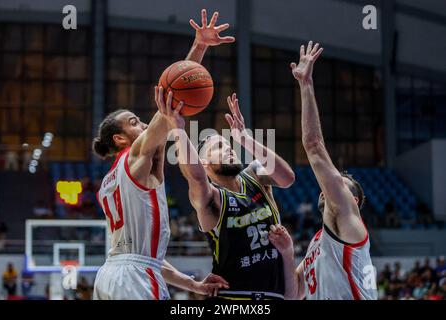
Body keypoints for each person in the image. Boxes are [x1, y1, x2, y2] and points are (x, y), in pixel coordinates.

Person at [92, 9, 233, 300]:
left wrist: (193, 285)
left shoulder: (109, 183)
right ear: (119, 139)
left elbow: (147, 257)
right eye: (133, 123)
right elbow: (176, 94)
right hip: (135, 279)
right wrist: (199, 48)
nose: (142, 124)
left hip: (110, 275)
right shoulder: (135, 157)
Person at [162, 87, 295, 300]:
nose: (229, 148)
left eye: (228, 144)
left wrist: (245, 138)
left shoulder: (255, 175)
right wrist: (178, 129)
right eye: (218, 147)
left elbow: (287, 178)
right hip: (234, 297)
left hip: (274, 295)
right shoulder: (212, 198)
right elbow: (196, 178)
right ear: (204, 163)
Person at [268, 41, 377, 300]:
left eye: (339, 183)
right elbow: (293, 294)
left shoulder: (351, 225)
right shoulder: (319, 242)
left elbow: (314, 146)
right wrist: (287, 253)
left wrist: (306, 85)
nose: (328, 186)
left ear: (354, 201)